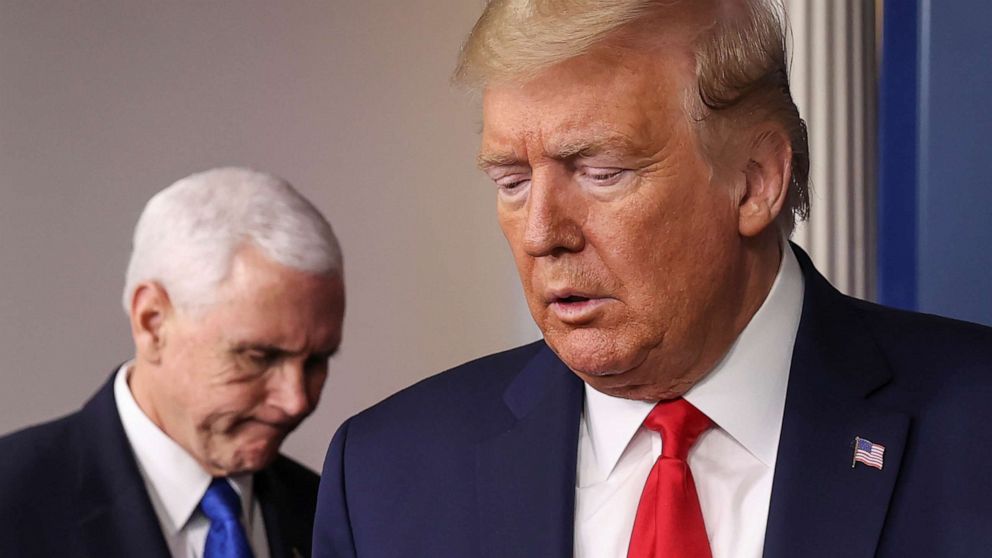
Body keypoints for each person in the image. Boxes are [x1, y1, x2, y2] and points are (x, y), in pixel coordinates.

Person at [312, 1, 992, 557]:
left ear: (755, 182)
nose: (543, 232)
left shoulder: (974, 428)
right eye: (513, 182)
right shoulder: (386, 475)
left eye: (601, 172)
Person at [0, 167, 345, 558]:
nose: (296, 400)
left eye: (317, 361)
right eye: (258, 356)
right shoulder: (12, 504)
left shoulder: (326, 515)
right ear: (152, 323)